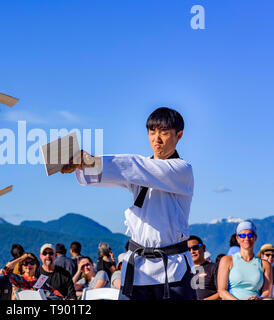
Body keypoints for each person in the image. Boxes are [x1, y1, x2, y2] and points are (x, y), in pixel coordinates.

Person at [62, 107, 196, 300]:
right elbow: (115, 173)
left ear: (179, 135)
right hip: (140, 269)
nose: (156, 139)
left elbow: (135, 166)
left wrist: (89, 160)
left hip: (172, 269)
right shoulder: (138, 172)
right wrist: (81, 165)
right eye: (152, 132)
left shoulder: (181, 170)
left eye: (164, 133)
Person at [217, 221, 272, 300]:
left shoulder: (265, 264)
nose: (246, 238)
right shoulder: (227, 260)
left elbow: (267, 292)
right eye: (242, 235)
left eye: (250, 235)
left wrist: (260, 298)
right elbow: (221, 291)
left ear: (255, 238)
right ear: (237, 238)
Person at [188, 235, 219, 300]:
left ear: (203, 248)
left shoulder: (214, 267)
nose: (192, 251)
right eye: (188, 249)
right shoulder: (184, 272)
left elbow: (222, 291)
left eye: (195, 247)